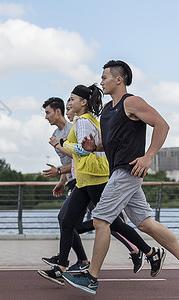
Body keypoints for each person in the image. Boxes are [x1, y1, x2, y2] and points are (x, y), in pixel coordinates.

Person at [62, 60, 179, 295]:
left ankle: (91, 277)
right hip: (120, 171)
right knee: (145, 223)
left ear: (119, 79)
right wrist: (94, 146)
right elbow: (110, 142)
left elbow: (162, 125)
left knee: (100, 219)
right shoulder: (107, 110)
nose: (101, 81)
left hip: (128, 169)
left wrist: (149, 157)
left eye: (105, 77)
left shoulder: (131, 102)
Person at [38, 83, 157, 287]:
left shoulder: (83, 121)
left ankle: (149, 251)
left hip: (93, 176)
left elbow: (84, 150)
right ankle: (62, 267)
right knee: (67, 221)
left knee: (110, 222)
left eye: (73, 99)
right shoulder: (85, 120)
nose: (70, 103)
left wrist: (61, 144)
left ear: (83, 102)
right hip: (85, 178)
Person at [41, 97, 88, 272]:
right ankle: (75, 260)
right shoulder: (55, 136)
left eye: (47, 112)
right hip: (72, 181)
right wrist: (62, 181)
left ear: (57, 111)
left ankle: (64, 261)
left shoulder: (71, 129)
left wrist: (60, 172)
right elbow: (66, 161)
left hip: (84, 180)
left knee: (69, 221)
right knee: (68, 222)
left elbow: (78, 158)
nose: (46, 117)